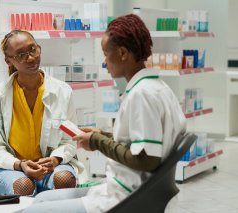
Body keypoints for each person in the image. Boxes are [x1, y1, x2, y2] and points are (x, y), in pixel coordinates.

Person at [23, 14, 186, 213]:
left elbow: (147, 160)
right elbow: (141, 144)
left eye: (106, 54)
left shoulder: (141, 95)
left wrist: (97, 142)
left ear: (123, 53)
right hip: (127, 189)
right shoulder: (158, 88)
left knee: (34, 210)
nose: (104, 62)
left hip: (126, 197)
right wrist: (101, 135)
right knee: (41, 199)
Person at [0, 30, 84, 196]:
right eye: (20, 55)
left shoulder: (63, 91)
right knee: (24, 186)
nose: (31, 58)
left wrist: (55, 160)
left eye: (33, 50)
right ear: (8, 60)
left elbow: (69, 140)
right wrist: (21, 165)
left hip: (50, 166)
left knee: (64, 179)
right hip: (10, 168)